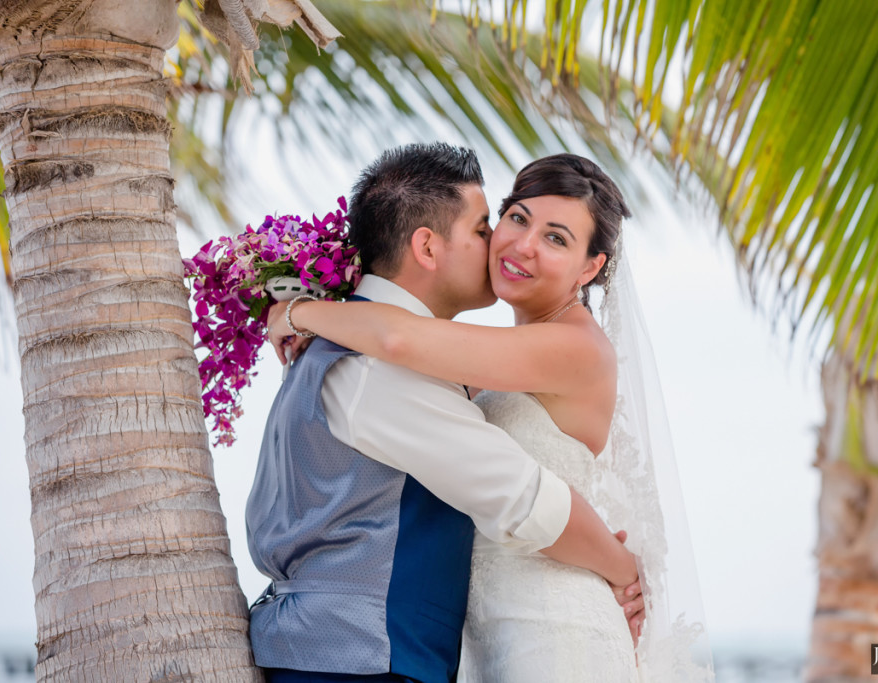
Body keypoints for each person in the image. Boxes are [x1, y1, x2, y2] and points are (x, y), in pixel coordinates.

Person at [272, 154, 714, 682]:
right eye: (514, 219)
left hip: (551, 622)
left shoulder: (573, 347)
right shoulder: (494, 353)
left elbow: (399, 338)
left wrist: (297, 311)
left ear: (591, 267)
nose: (521, 245)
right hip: (481, 633)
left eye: (556, 239)